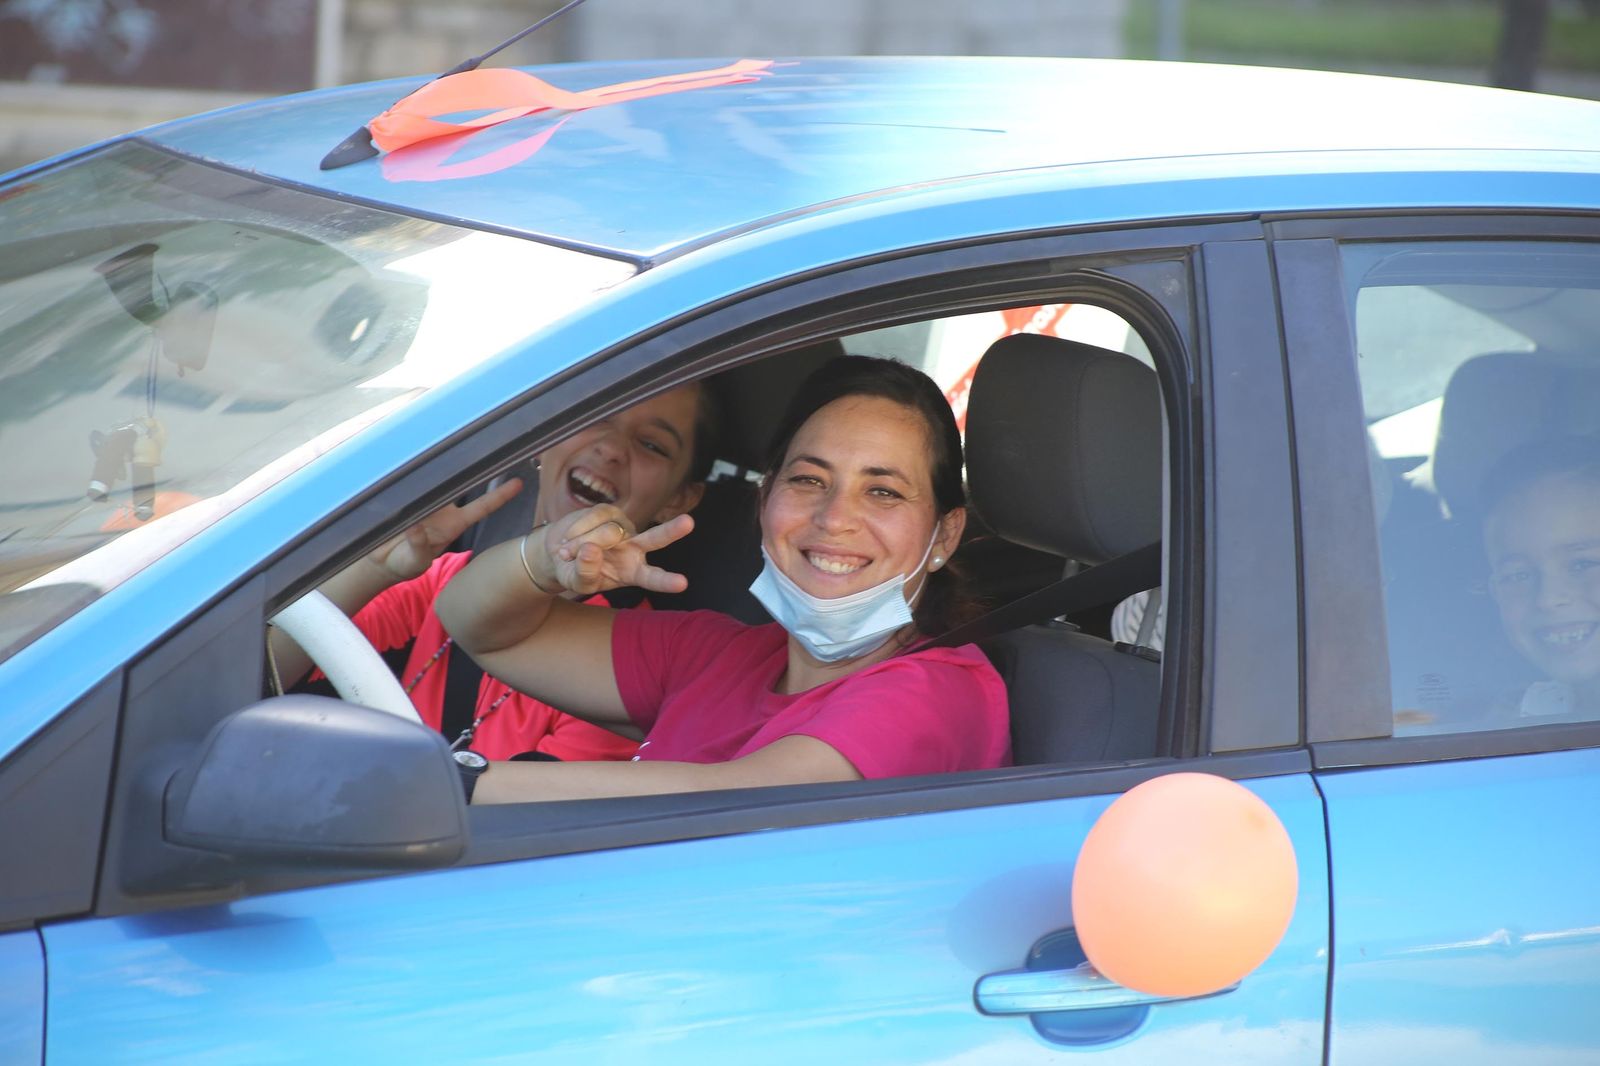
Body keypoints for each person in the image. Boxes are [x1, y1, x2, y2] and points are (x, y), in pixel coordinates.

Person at [436, 355, 1012, 803]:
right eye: (809, 480)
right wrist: (547, 556)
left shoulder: (939, 688)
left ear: (943, 536)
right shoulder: (718, 655)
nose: (834, 517)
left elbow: (740, 801)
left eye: (882, 491)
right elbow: (481, 628)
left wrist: (451, 784)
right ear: (765, 503)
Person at [269, 382, 716, 760]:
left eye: (652, 445)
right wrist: (374, 568)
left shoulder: (632, 662)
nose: (611, 449)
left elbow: (510, 834)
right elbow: (264, 675)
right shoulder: (443, 578)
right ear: (549, 434)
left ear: (679, 500)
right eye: (598, 414)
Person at [1481, 436, 1600, 722]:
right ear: (1495, 591)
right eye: (1518, 575)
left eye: (1583, 563)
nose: (1548, 598)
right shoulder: (1516, 718)